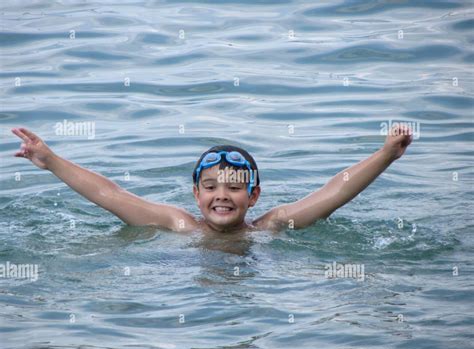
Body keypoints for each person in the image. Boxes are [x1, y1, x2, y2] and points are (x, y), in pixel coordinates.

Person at [11, 126, 413, 233]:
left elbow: (333, 192)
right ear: (196, 193)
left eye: (235, 187)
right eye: (211, 187)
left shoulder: (271, 227)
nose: (222, 196)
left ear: (253, 196)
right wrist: (51, 160)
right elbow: (110, 194)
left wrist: (384, 155)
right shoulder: (178, 224)